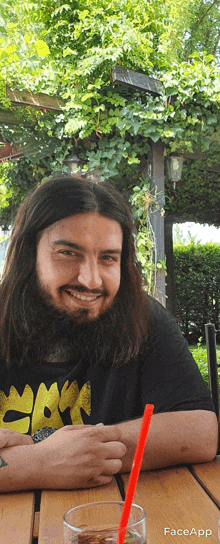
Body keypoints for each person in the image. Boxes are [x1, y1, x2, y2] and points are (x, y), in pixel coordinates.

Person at [0, 175, 217, 492]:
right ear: (28, 254)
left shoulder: (143, 319)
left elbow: (200, 432)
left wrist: (62, 453)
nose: (90, 280)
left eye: (107, 258)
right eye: (68, 253)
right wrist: (35, 465)